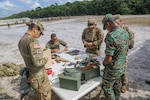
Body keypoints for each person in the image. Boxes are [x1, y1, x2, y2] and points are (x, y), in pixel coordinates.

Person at [18, 21, 51, 100]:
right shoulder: (32, 41)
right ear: (35, 29)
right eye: (40, 33)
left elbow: (28, 55)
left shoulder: (22, 40)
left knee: (39, 94)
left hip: (32, 73)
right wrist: (46, 59)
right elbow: (38, 62)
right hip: (38, 75)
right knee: (44, 95)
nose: (39, 36)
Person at [102, 13, 129, 100]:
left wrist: (104, 63)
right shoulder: (124, 32)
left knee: (107, 87)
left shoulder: (111, 36)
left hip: (113, 69)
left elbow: (108, 59)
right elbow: (126, 50)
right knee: (117, 85)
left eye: (106, 27)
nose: (107, 30)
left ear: (108, 24)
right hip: (121, 67)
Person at [114, 14, 135, 93]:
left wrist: (126, 48)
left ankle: (124, 84)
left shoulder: (127, 29)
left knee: (123, 69)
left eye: (116, 23)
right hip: (114, 53)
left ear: (120, 22)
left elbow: (131, 42)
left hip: (123, 53)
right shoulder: (113, 30)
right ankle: (116, 83)